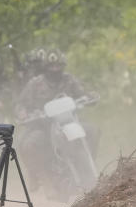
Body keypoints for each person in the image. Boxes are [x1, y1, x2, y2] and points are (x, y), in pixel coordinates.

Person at [14, 49, 95, 188]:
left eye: (58, 66)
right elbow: (20, 103)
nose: (55, 69)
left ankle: (90, 166)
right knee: (28, 144)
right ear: (45, 67)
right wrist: (23, 112)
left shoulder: (70, 80)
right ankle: (38, 176)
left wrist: (90, 96)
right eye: (51, 66)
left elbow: (83, 94)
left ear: (63, 66)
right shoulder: (35, 83)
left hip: (69, 122)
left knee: (93, 131)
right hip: (43, 126)